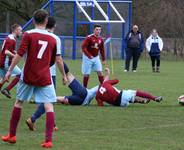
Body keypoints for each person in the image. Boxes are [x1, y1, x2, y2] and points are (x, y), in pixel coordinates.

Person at [1, 9, 67, 149]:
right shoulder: (53, 38)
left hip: (28, 75)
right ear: (46, 21)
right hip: (44, 76)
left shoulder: (28, 34)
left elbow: (19, 54)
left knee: (19, 102)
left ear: (33, 20)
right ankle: (48, 141)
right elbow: (54, 60)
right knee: (49, 105)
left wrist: (9, 71)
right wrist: (49, 69)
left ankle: (12, 136)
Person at [26, 62, 98, 131]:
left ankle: (51, 124)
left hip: (38, 71)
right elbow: (58, 60)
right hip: (49, 74)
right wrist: (63, 75)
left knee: (51, 99)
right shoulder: (54, 49)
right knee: (51, 99)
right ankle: (34, 119)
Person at [96, 68, 163, 107]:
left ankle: (143, 101)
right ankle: (154, 98)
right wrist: (108, 74)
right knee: (137, 92)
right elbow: (117, 80)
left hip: (120, 105)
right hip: (122, 96)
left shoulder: (97, 96)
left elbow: (101, 105)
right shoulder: (105, 83)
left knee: (128, 96)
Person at [0, 23, 22, 98]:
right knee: (20, 74)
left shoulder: (9, 37)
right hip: (6, 62)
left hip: (2, 61)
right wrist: (15, 56)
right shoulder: (11, 40)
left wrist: (16, 53)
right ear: (16, 30)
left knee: (3, 79)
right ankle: (7, 89)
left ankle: (6, 89)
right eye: (20, 30)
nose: (21, 32)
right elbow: (6, 52)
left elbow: (8, 50)